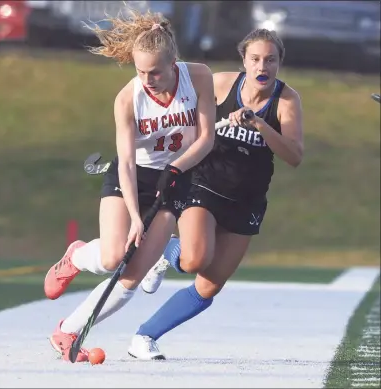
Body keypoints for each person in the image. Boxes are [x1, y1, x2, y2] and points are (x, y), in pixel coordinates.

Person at [43, 7, 216, 362]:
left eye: (155, 72)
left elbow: (206, 139)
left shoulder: (198, 76)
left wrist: (176, 169)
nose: (147, 79)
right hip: (132, 175)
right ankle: (76, 255)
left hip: (177, 178)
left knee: (132, 275)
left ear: (174, 63)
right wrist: (136, 217)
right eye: (140, 71)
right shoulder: (128, 98)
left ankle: (67, 332)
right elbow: (123, 161)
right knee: (112, 257)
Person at [130, 28, 304, 360]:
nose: (262, 67)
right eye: (255, 59)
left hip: (248, 198)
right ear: (244, 60)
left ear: (280, 62)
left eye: (270, 59)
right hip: (205, 184)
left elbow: (294, 156)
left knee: (209, 285)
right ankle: (169, 250)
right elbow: (177, 107)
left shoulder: (286, 100)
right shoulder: (221, 83)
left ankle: (145, 335)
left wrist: (261, 125)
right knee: (195, 259)